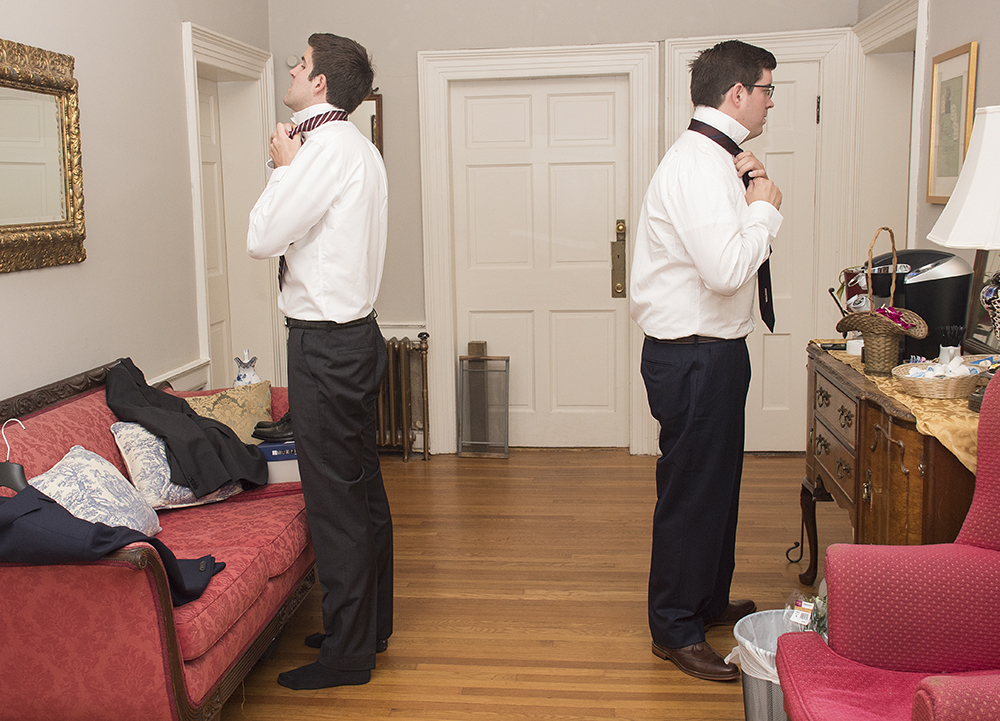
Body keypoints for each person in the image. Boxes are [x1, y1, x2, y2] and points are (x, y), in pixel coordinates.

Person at [629, 39, 783, 682]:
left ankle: (707, 600)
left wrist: (752, 190)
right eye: (768, 88)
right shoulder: (696, 164)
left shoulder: (722, 160)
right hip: (693, 359)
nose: (773, 101)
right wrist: (766, 210)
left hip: (715, 353)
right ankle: (675, 627)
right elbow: (724, 272)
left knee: (718, 487)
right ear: (737, 94)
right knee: (691, 494)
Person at [246, 32, 392, 691]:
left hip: (326, 347)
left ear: (322, 84)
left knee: (335, 501)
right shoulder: (355, 147)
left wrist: (282, 167)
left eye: (300, 65)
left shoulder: (321, 151)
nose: (291, 70)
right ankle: (365, 627)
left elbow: (262, 238)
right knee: (361, 492)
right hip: (355, 338)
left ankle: (347, 655)